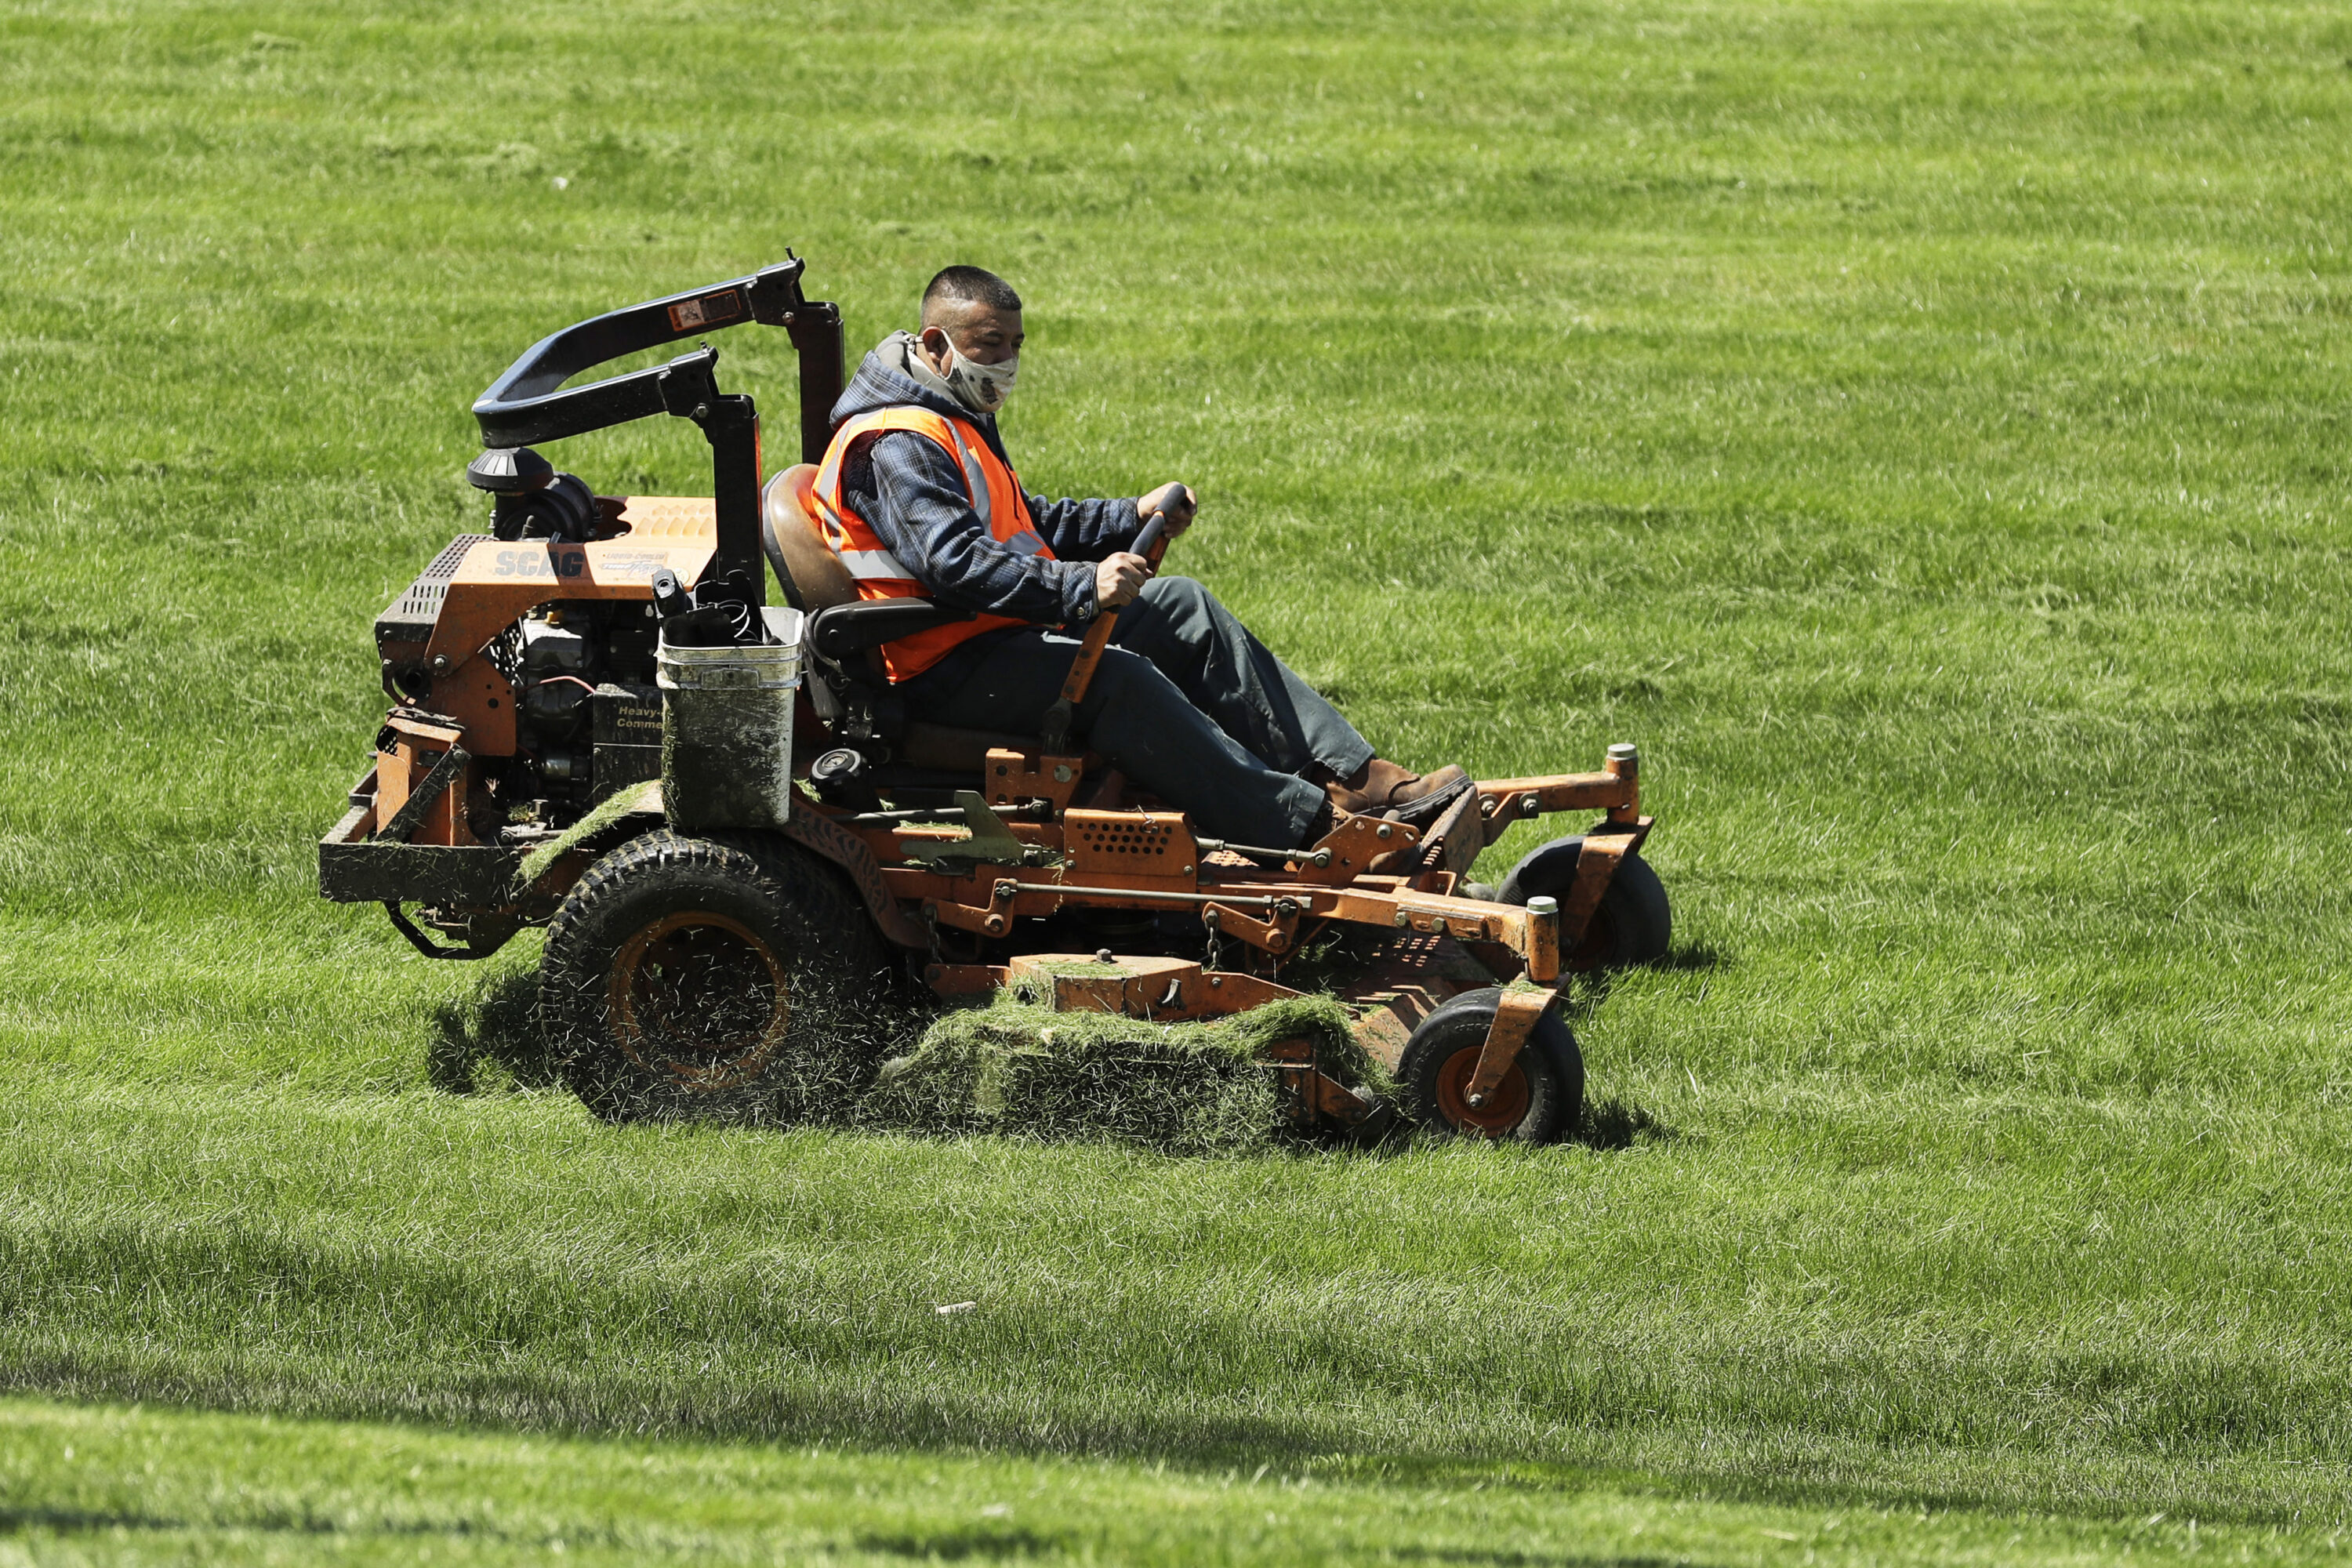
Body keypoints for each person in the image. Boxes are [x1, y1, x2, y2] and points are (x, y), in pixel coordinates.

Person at [808, 265, 1469, 850]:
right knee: (1118, 680)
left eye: (1016, 345)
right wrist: (1081, 586)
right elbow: (955, 563)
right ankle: (1308, 830)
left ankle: (1359, 779)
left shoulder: (948, 411)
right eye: (991, 345)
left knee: (1181, 607)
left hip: (995, 635)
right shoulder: (897, 442)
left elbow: (1024, 523)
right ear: (934, 344)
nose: (1008, 360)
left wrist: (1132, 515)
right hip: (944, 668)